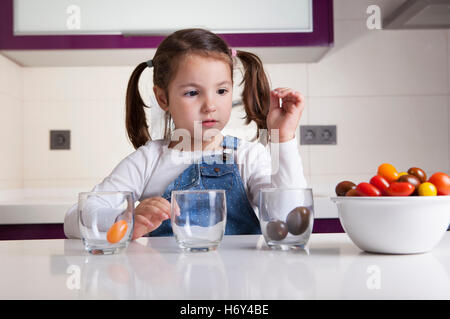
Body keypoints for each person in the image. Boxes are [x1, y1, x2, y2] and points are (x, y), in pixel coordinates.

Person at [64, 28, 307, 240]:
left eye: (221, 90)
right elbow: (74, 219)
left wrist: (282, 138)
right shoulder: (149, 160)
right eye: (192, 93)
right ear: (162, 98)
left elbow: (288, 217)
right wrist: (125, 219)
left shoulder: (248, 156)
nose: (210, 105)